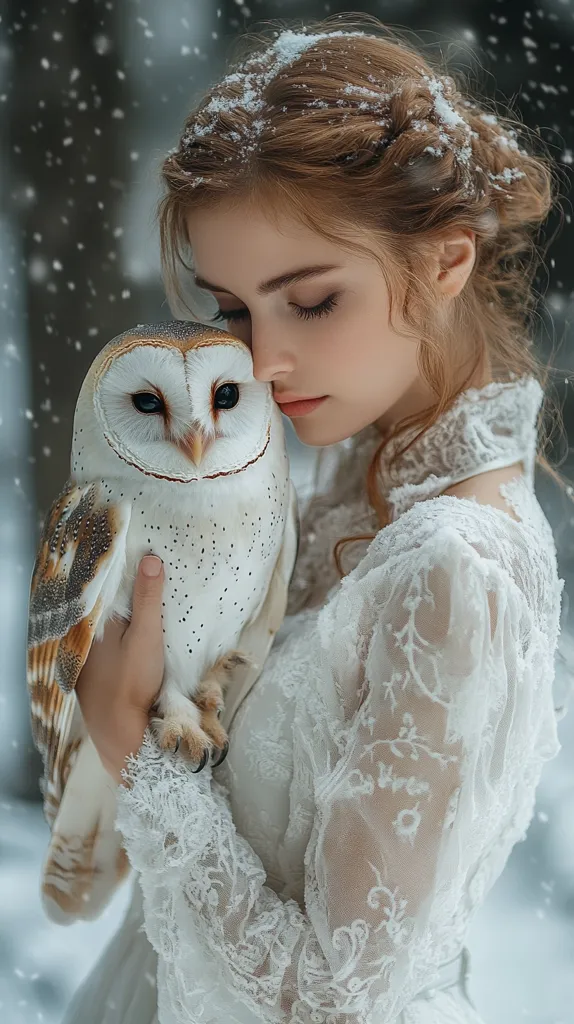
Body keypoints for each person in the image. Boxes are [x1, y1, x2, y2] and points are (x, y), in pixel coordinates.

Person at [63, 14, 570, 1024]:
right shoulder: (356, 470)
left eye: (310, 300)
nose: (258, 362)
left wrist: (141, 757)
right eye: (232, 309)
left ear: (445, 262)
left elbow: (331, 1002)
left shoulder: (452, 565)